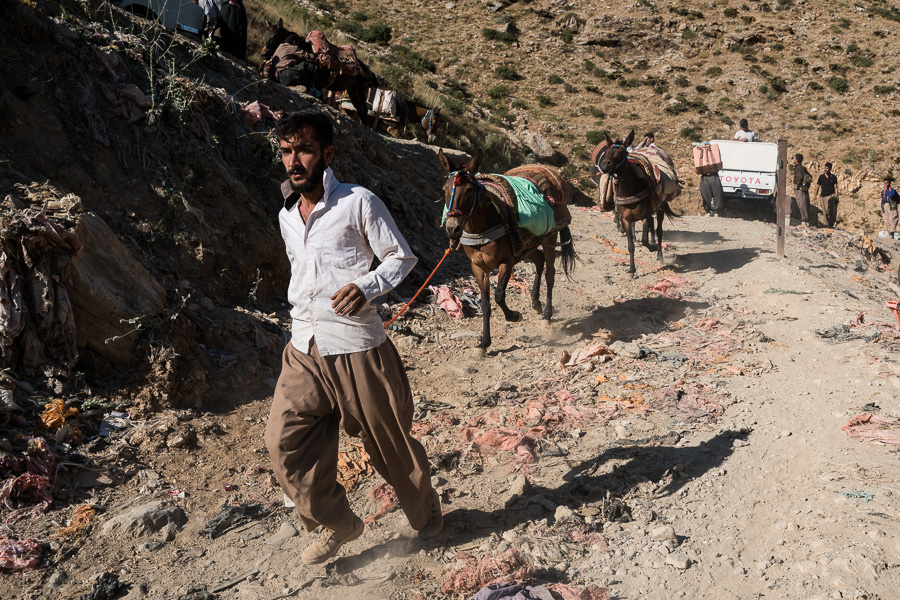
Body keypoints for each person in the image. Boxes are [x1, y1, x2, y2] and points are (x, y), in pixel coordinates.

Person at [264, 109, 442, 566]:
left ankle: (427, 519)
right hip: (303, 346)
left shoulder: (357, 202)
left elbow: (400, 258)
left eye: (303, 149)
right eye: (286, 151)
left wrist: (364, 288)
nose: (294, 160)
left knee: (389, 446)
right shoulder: (286, 214)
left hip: (356, 346)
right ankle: (336, 523)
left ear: (327, 153)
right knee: (282, 442)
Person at [812, 162, 839, 228]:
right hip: (823, 196)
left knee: (832, 210)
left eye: (827, 168)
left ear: (830, 169)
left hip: (831, 195)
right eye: (825, 168)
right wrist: (815, 196)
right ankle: (827, 224)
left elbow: (835, 187)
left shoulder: (833, 177)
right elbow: (817, 187)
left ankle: (831, 224)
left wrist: (837, 196)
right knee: (825, 211)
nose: (825, 169)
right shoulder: (821, 177)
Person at [792, 153, 812, 227]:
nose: (793, 159)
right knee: (805, 203)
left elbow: (799, 177)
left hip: (800, 188)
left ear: (797, 160)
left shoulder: (798, 168)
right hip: (804, 188)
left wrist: (796, 184)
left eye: (794, 158)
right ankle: (807, 220)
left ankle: (804, 220)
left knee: (801, 203)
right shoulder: (803, 168)